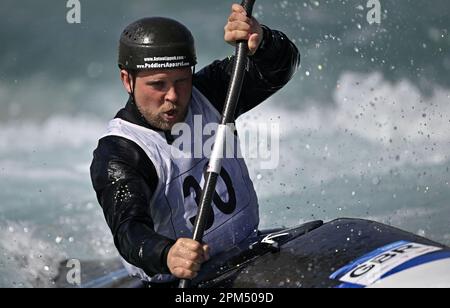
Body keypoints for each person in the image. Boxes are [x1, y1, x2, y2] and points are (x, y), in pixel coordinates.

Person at [90, 3, 300, 286]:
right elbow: (129, 231)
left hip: (248, 249)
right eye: (158, 84)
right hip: (177, 282)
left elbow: (280, 67)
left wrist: (260, 41)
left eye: (181, 81)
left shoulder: (211, 92)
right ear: (127, 79)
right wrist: (166, 253)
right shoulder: (120, 154)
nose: (173, 97)